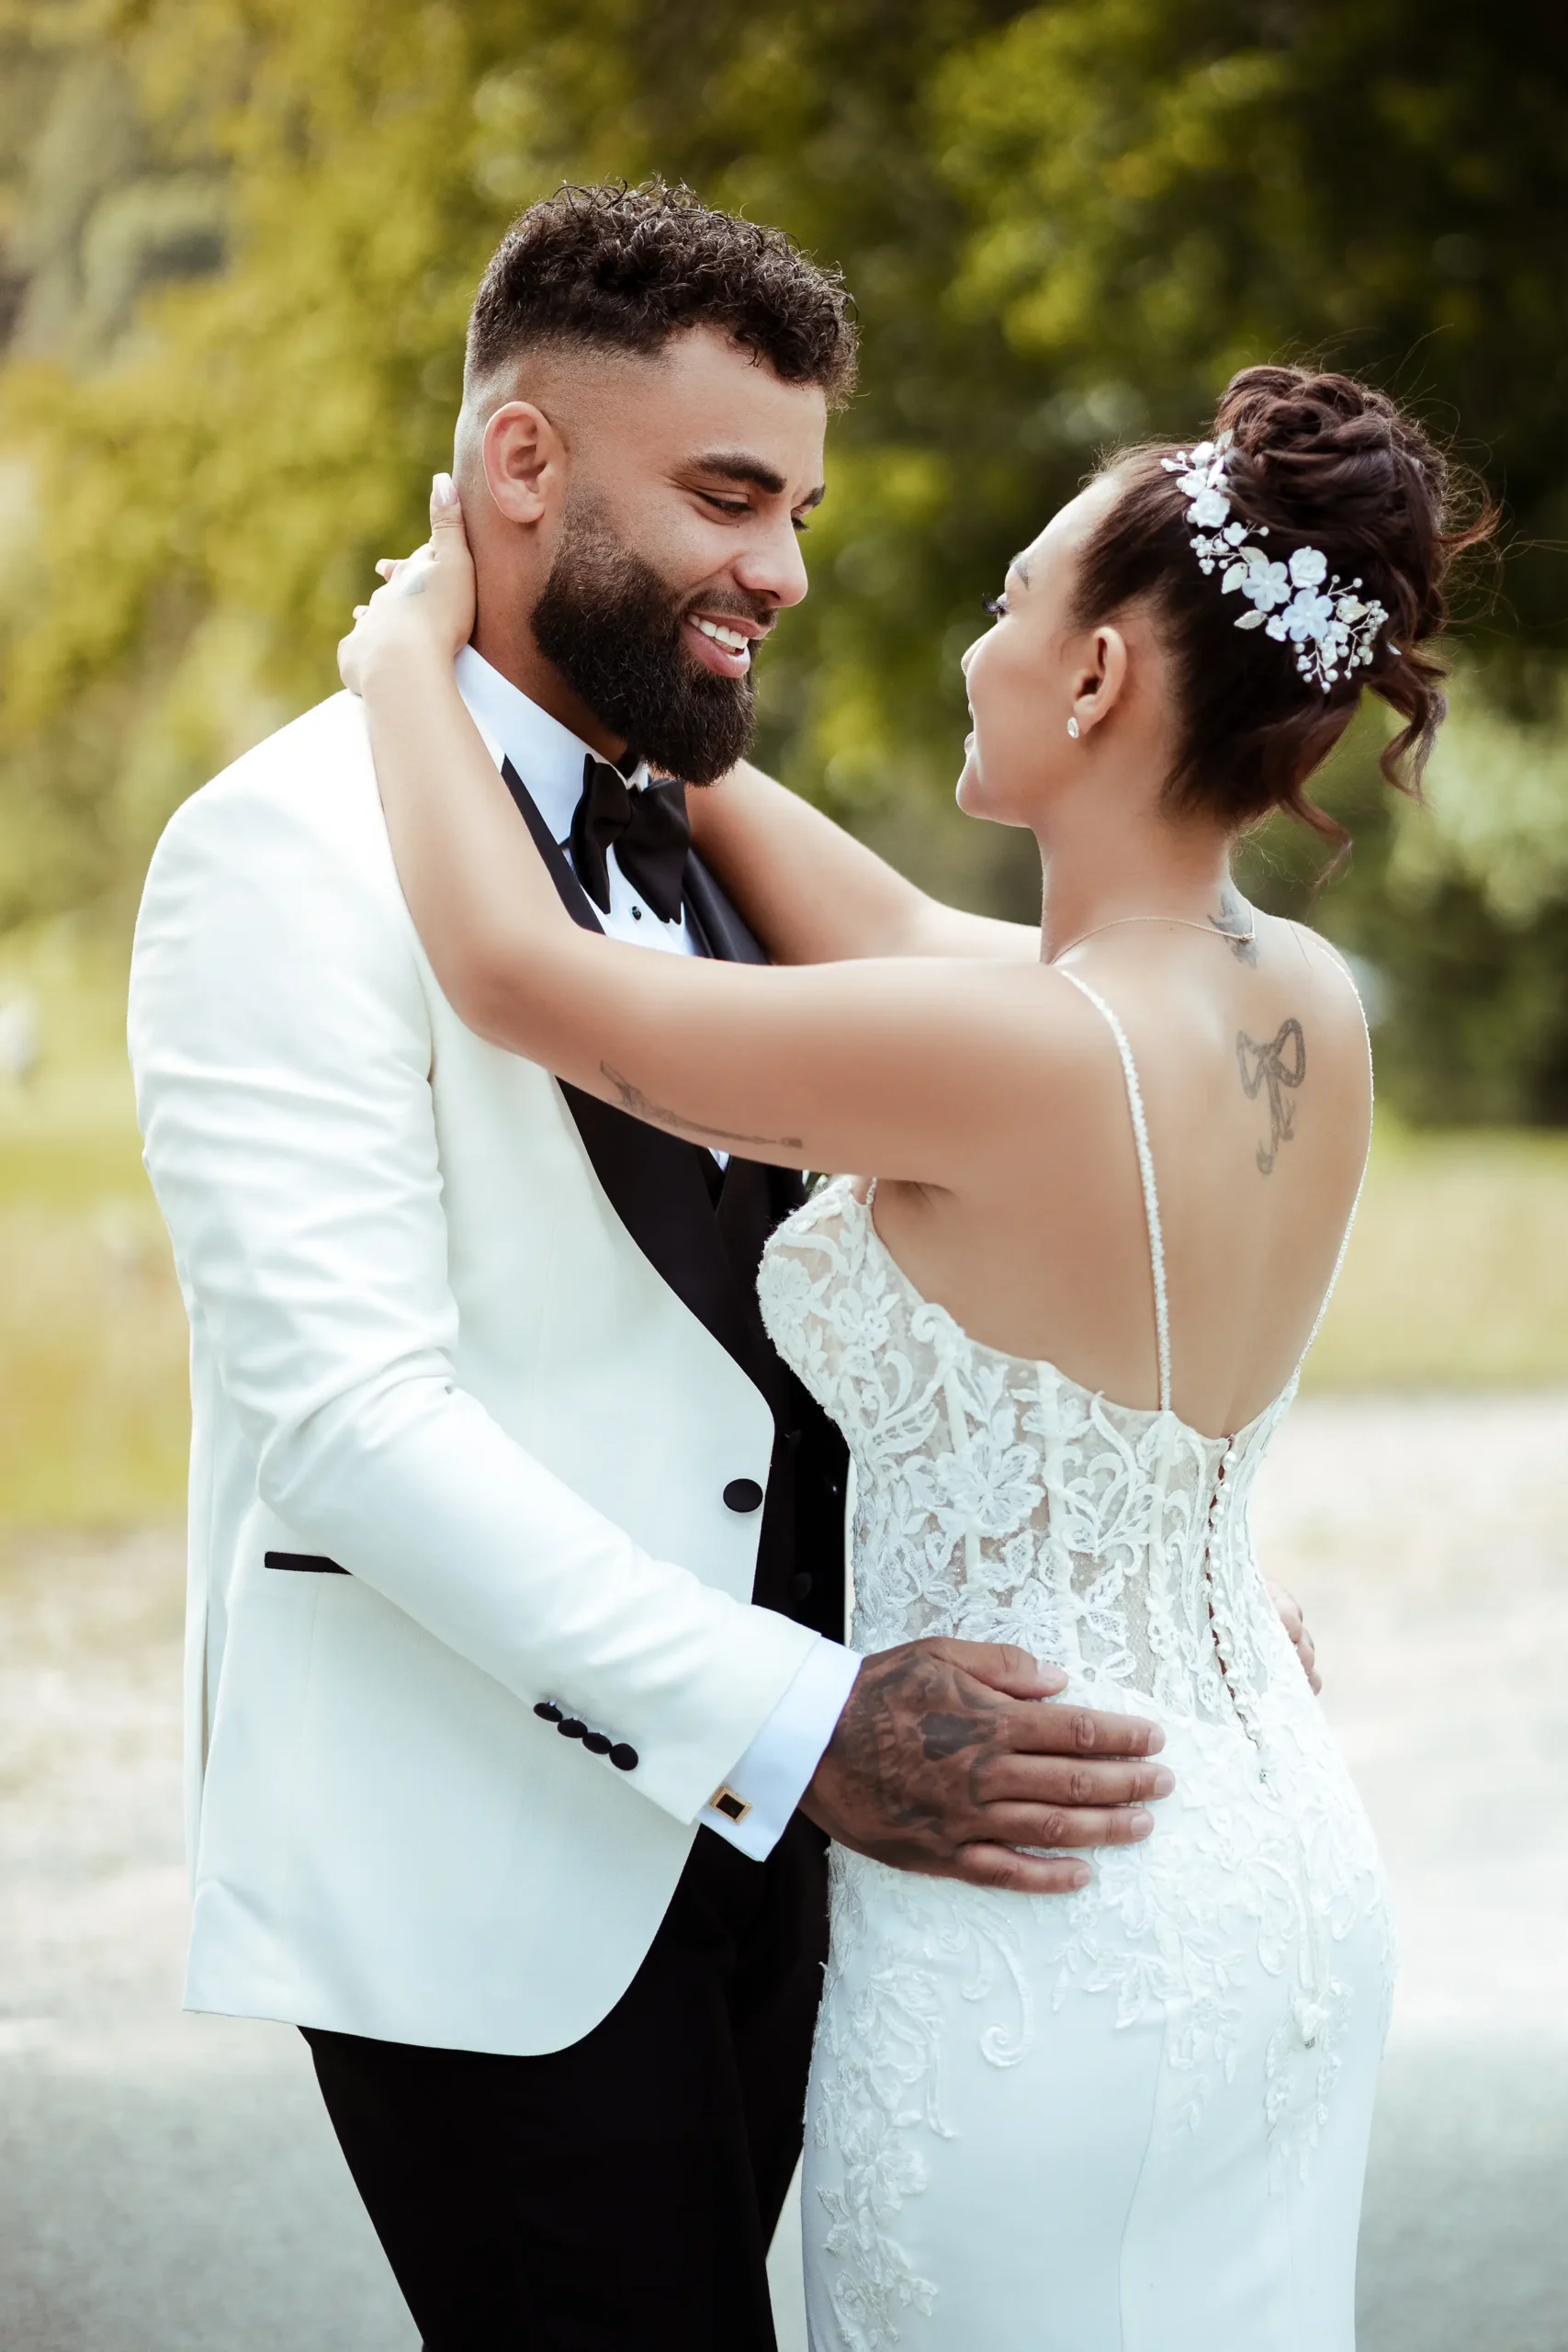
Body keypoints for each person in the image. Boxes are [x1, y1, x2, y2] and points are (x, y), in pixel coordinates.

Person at [128, 181, 1200, 2352]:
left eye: (797, 507)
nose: (783, 574)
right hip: (498, 1859)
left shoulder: (716, 832)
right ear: (518, 467)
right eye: (728, 495)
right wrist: (801, 1722)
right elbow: (344, 1425)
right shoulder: (280, 850)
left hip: (800, 1866)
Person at [340, 348, 1483, 2349]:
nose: (980, 639)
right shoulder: (1293, 995)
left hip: (1051, 1908)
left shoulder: (1014, 1050)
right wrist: (646, 709)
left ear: (1103, 675)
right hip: (1269, 1854)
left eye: (1006, 600)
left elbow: (524, 978)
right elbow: (872, 919)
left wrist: (402, 660)